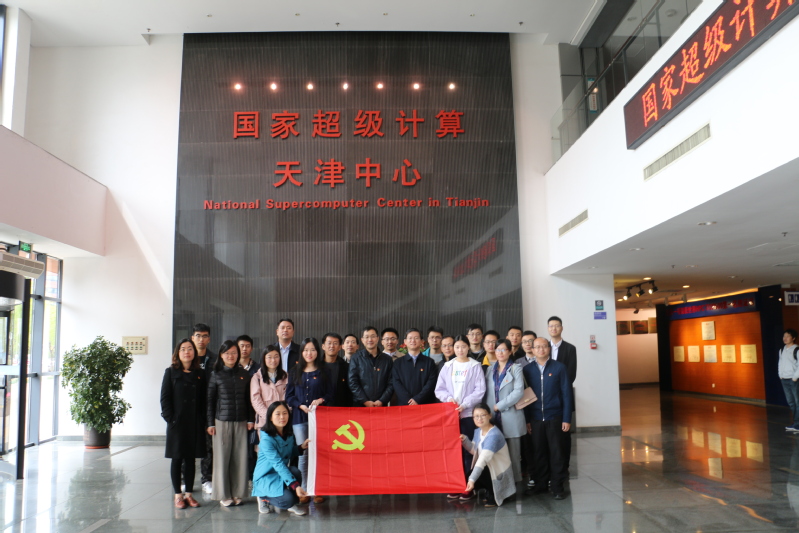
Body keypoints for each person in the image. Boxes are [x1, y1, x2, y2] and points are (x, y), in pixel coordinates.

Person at [207, 340, 254, 506]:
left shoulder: (244, 374)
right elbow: (210, 400)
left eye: (234, 353)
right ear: (221, 355)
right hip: (221, 421)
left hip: (241, 420)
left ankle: (238, 492)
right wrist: (210, 423)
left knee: (239, 458)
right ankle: (223, 494)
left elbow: (249, 400)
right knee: (222, 458)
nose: (231, 356)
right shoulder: (216, 374)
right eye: (227, 353)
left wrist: (251, 419)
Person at [523, 338, 572, 500]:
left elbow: (566, 394)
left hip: (555, 417)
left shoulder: (559, 368)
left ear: (549, 348)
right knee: (538, 452)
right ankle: (541, 484)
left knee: (557, 453)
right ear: (532, 350)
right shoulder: (527, 370)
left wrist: (566, 418)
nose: (541, 349)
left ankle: (557, 487)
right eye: (537, 347)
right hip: (535, 418)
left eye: (544, 346)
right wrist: (527, 420)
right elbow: (525, 396)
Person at [160, 338, 206, 509]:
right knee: (177, 458)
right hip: (177, 423)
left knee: (191, 459)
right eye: (183, 349)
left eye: (190, 349)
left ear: (194, 352)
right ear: (178, 353)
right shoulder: (170, 372)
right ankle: (178, 495)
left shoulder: (200, 373)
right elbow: (165, 398)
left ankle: (189, 494)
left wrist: (202, 420)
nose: (187, 352)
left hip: (194, 422)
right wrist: (170, 419)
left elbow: (204, 400)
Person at [285, 337, 332, 504]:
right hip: (299, 418)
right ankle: (305, 489)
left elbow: (330, 394)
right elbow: (289, 396)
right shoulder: (294, 372)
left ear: (317, 352)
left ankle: (318, 489)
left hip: (319, 419)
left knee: (319, 453)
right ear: (301, 352)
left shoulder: (324, 371)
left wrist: (320, 400)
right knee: (303, 455)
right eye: (306, 350)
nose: (309, 353)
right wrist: (300, 405)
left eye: (312, 350)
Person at [435, 335, 486, 483]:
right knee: (452, 450)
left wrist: (464, 404)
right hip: (450, 415)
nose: (460, 350)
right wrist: (449, 399)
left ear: (468, 347)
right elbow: (439, 389)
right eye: (457, 347)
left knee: (469, 449)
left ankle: (469, 483)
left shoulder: (475, 366)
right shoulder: (447, 366)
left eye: (463, 346)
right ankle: (455, 483)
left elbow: (479, 390)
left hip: (468, 414)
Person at [252, 401, 308, 516]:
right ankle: (263, 497)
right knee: (287, 500)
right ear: (270, 417)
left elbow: (288, 452)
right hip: (266, 477)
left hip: (279, 474)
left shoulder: (288, 433)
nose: (282, 417)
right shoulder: (266, 439)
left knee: (295, 471)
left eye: (285, 413)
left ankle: (290, 503)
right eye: (278, 414)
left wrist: (301, 447)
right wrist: (295, 486)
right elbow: (278, 463)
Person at [455, 403, 516, 506]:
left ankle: (494, 492)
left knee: (473, 476)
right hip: (487, 467)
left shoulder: (494, 435)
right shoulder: (478, 431)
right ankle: (489, 488)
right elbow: (475, 451)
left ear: (489, 416)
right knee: (468, 478)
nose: (479, 419)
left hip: (498, 472)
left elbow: (482, 459)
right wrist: (464, 440)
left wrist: (472, 480)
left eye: (482, 415)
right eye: (476, 416)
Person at [485, 339, 525, 484]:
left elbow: (518, 391)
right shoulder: (490, 369)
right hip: (493, 416)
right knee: (496, 453)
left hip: (510, 415)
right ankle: (500, 483)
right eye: (498, 350)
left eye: (503, 350)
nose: (500, 353)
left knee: (514, 454)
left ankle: (516, 482)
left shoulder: (516, 368)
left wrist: (500, 405)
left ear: (510, 351)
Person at [548, 316, 576, 470]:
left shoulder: (570, 348)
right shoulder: (543, 347)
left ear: (562, 328)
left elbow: (571, 375)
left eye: (557, 325)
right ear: (548, 328)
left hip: (562, 396)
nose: (554, 328)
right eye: (551, 326)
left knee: (563, 434)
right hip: (546, 398)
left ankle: (564, 466)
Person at [192, 323, 216, 494]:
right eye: (198, 336)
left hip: (208, 408)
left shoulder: (214, 359)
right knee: (188, 445)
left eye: (204, 336)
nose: (201, 339)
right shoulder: (186, 356)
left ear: (209, 339)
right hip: (190, 408)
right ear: (193, 337)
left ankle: (207, 479)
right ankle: (185, 480)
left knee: (209, 446)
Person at [348, 326, 394, 407]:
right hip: (360, 405)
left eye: (373, 336)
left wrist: (382, 400)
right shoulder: (356, 358)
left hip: (381, 405)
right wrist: (365, 401)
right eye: (367, 337)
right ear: (362, 340)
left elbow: (391, 382)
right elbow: (352, 382)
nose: (370, 340)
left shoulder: (387, 359)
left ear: (378, 338)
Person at [392, 328, 439, 405]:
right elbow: (396, 383)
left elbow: (431, 384)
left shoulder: (429, 362)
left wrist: (417, 399)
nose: (413, 341)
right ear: (405, 341)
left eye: (416, 338)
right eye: (410, 338)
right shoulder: (398, 363)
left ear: (421, 341)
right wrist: (409, 401)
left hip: (424, 404)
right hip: (404, 405)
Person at [515, 330, 538, 487]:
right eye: (525, 342)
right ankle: (532, 473)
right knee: (528, 444)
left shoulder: (543, 359)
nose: (528, 344)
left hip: (541, 407)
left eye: (531, 341)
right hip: (525, 407)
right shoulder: (517, 363)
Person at [250, 346, 287, 440]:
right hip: (265, 421)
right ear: (264, 359)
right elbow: (256, 400)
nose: (273, 360)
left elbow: (290, 397)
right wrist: (270, 416)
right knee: (267, 447)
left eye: (276, 356)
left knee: (283, 447)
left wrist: (285, 414)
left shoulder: (286, 376)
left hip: (283, 421)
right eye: (269, 357)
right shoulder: (257, 377)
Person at [238, 334, 260, 479]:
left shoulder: (258, 368)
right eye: (241, 346)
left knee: (252, 447)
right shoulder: (232, 367)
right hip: (237, 412)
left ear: (251, 348)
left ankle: (251, 477)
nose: (244, 349)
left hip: (253, 413)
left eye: (247, 346)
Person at [322, 332, 353, 407]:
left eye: (335, 343)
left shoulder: (346, 367)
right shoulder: (316, 366)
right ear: (323, 346)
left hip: (340, 408)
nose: (332, 346)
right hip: (319, 408)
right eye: (329, 343)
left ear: (340, 347)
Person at [779, 328, 799, 432]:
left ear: (793, 338)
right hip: (784, 379)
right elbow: (780, 363)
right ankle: (796, 423)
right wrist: (780, 375)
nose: (785, 338)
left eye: (787, 336)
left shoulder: (796, 349)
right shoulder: (782, 350)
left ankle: (797, 424)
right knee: (791, 402)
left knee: (797, 402)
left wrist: (795, 377)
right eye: (784, 336)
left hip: (793, 379)